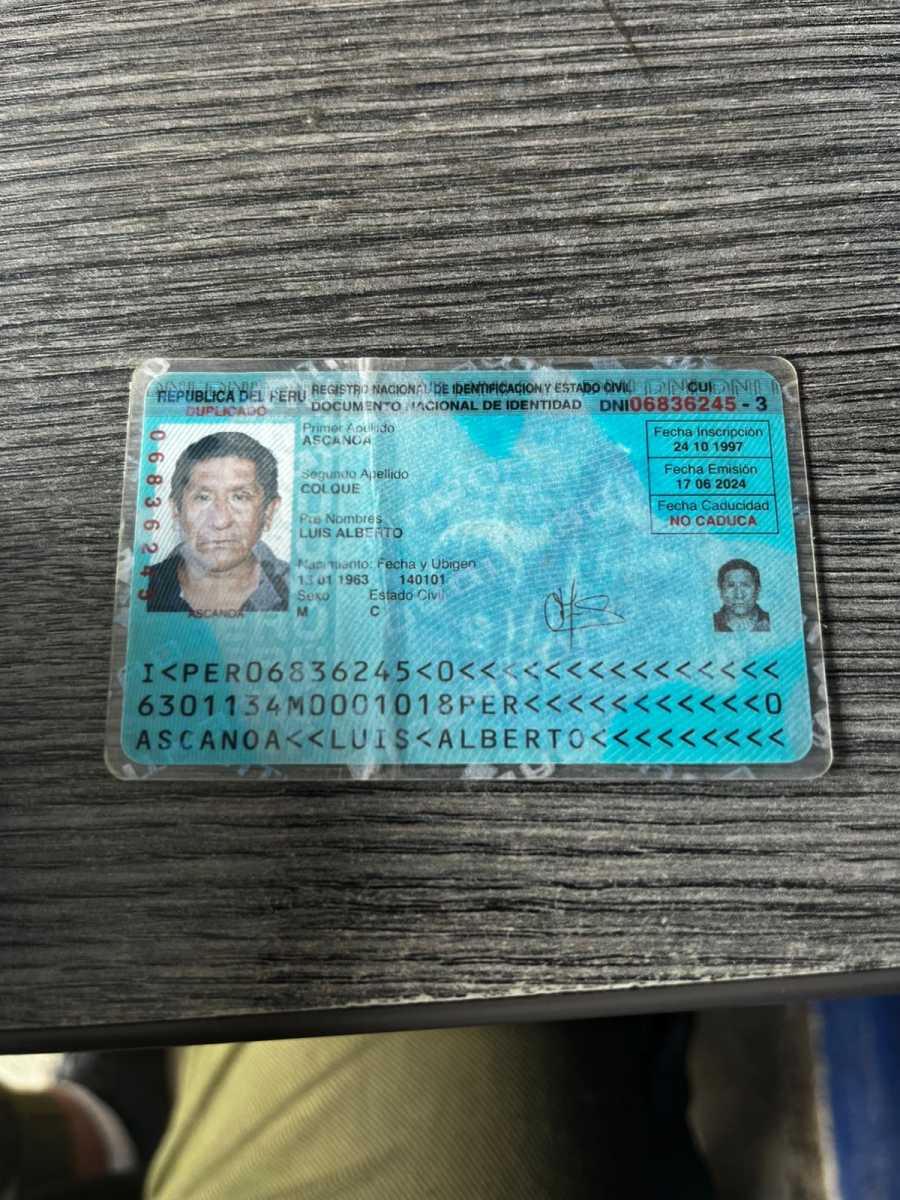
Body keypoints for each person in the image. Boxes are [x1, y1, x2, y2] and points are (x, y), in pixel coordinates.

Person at [145, 432, 289, 615]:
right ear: (176, 511)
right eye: (203, 497)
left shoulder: (301, 589)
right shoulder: (140, 588)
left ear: (268, 512)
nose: (220, 521)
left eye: (240, 497)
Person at [713, 559, 770, 632]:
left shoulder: (775, 620)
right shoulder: (707, 623)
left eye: (745, 585)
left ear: (757, 591)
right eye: (731, 586)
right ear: (721, 591)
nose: (739, 595)